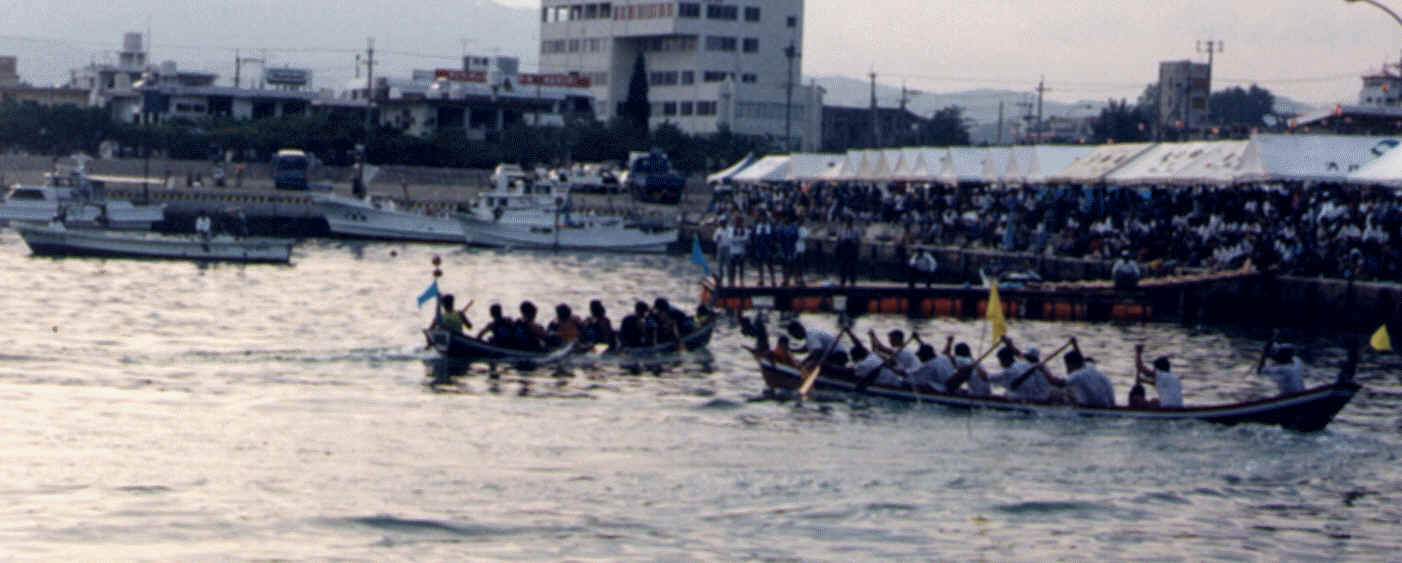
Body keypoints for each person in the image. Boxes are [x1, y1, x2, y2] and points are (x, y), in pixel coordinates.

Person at [1064, 339, 1115, 408]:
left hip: (1089, 410)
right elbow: (1081, 361)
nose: (1067, 370)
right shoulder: (1099, 374)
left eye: (1068, 367)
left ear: (1071, 365)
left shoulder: (1079, 374)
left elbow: (1055, 382)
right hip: (1106, 407)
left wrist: (1043, 369)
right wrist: (1075, 345)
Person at [1135, 344, 1182, 408]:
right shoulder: (1175, 378)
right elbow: (1156, 384)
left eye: (1154, 368)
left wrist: (1138, 352)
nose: (1154, 370)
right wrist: (1143, 381)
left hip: (1166, 407)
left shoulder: (1160, 375)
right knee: (1154, 400)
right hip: (1178, 407)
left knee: (1142, 400)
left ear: (1158, 369)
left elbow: (1140, 367)